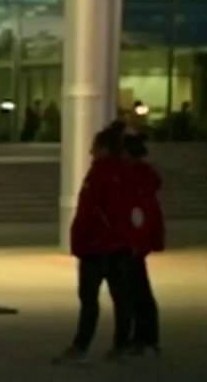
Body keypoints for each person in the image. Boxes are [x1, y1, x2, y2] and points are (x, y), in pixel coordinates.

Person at [54, 125, 133, 364]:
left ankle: (81, 346)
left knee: (89, 299)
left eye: (95, 147)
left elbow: (89, 212)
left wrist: (80, 241)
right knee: (121, 297)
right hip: (119, 245)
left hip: (96, 246)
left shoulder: (100, 174)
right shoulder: (125, 173)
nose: (91, 152)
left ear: (104, 149)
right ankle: (120, 345)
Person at [121, 131, 164, 356]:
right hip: (137, 242)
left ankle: (145, 338)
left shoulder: (136, 178)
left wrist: (135, 242)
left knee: (138, 291)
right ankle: (143, 337)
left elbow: (139, 215)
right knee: (138, 290)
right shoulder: (143, 177)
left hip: (133, 243)